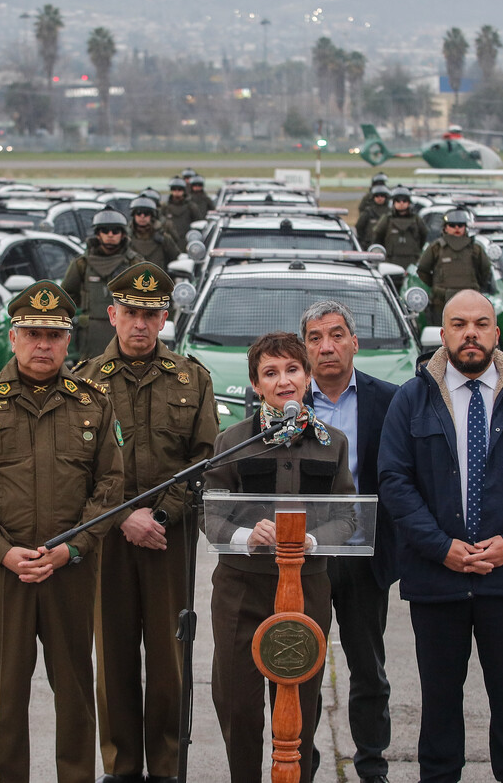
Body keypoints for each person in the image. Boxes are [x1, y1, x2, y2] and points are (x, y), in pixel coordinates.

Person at [378, 290, 503, 783]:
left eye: (481, 324)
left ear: (496, 334)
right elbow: (395, 482)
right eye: (459, 324)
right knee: (439, 699)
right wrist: (442, 548)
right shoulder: (411, 398)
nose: (471, 334)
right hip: (437, 580)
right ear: (443, 334)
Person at [0, 279, 125, 783]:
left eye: (53, 334)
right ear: (12, 337)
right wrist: (1, 551)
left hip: (70, 571)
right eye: (32, 333)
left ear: (69, 341)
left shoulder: (92, 401)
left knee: (74, 690)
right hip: (6, 574)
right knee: (6, 693)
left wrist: (74, 548)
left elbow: (111, 484)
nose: (42, 344)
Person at [78, 262, 219, 783]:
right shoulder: (84, 382)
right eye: (131, 313)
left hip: (169, 539)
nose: (140, 323)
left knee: (169, 658)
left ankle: (165, 767)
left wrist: (158, 515)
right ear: (112, 314)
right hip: (108, 539)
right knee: (112, 658)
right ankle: (121, 769)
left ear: (165, 319)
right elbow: (78, 469)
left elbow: (204, 460)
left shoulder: (192, 378)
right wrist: (122, 519)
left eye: (151, 314)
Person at [203, 331, 357, 783]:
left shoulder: (333, 443)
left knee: (299, 704)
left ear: (308, 377)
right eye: (271, 373)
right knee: (238, 703)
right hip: (242, 590)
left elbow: (347, 515)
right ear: (256, 385)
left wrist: (311, 539)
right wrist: (247, 534)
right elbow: (210, 515)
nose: (283, 380)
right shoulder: (232, 441)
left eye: (292, 370)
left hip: (306, 587)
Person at [300, 300, 400, 783]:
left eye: (337, 335)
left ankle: (372, 763)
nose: (327, 346)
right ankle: (300, 761)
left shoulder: (388, 399)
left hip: (364, 556)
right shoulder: (288, 403)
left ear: (354, 343)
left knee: (367, 665)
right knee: (302, 665)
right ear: (305, 349)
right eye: (316, 338)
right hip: (305, 556)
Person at [62, 209, 143, 359]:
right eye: (105, 230)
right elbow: (66, 297)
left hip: (125, 330)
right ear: (98, 234)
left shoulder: (135, 264)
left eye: (115, 230)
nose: (110, 234)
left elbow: (148, 298)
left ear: (123, 234)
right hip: (91, 333)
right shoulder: (82, 264)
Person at [416, 209, 493, 326]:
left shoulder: (475, 249)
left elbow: (485, 271)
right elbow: (422, 270)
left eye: (460, 225)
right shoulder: (436, 248)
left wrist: (475, 288)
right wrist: (437, 287)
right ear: (445, 228)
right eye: (452, 225)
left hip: (470, 301)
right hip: (442, 302)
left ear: (465, 227)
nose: (457, 228)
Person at [371, 186, 428, 270]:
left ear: (409, 203)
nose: (401, 203)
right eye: (398, 200)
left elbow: (424, 235)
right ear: (394, 202)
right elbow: (377, 237)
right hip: (391, 260)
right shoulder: (387, 219)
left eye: (404, 201)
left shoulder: (416, 220)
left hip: (412, 260)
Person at [126, 196, 181, 270]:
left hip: (159, 279)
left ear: (151, 215)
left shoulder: (163, 237)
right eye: (138, 213)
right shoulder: (125, 238)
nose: (142, 216)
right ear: (134, 215)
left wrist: (165, 242)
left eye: (146, 213)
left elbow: (175, 257)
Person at [160, 177, 197, 244]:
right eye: (174, 189)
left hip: (187, 240)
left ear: (183, 190)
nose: (177, 192)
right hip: (170, 241)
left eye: (179, 189)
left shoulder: (191, 206)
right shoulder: (165, 207)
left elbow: (198, 223)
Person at [354, 184, 390, 249]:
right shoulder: (368, 212)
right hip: (369, 244)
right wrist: (364, 240)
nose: (380, 198)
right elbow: (359, 226)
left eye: (382, 196)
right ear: (373, 197)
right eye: (377, 196)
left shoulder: (390, 213)